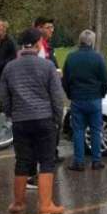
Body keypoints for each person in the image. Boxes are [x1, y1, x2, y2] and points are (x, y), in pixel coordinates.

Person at [0, 28, 65, 214]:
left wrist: (12, 113)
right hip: (44, 120)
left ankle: (18, 203)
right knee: (46, 161)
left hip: (20, 121)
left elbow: (3, 97)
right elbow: (57, 97)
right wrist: (57, 119)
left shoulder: (10, 67)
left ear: (22, 46)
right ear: (38, 45)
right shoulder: (47, 67)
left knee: (22, 161)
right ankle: (46, 205)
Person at [62, 30, 107, 172]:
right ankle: (96, 161)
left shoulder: (71, 58)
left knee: (78, 130)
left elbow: (65, 80)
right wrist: (101, 93)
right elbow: (105, 79)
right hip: (94, 98)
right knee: (96, 130)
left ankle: (79, 161)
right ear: (92, 42)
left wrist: (70, 94)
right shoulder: (98, 58)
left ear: (80, 41)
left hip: (77, 98)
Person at [34, 16, 64, 166]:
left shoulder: (48, 46)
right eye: (48, 27)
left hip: (52, 90)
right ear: (39, 28)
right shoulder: (39, 47)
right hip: (44, 94)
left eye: (52, 27)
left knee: (54, 126)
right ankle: (47, 156)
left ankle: (53, 152)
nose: (52, 30)